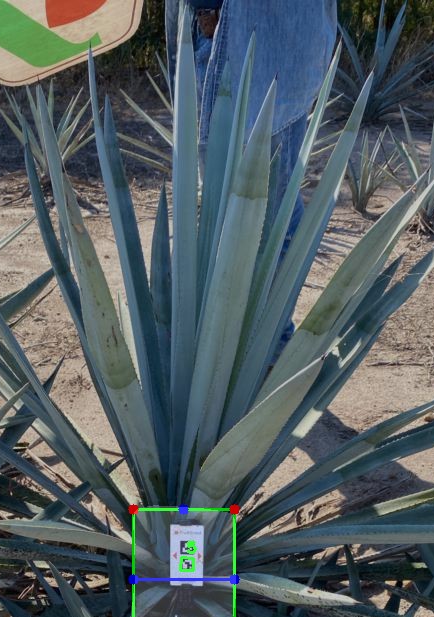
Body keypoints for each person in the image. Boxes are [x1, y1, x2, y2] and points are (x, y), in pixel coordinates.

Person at [164, 0, 338, 356]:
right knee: (258, 212)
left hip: (243, 31)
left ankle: (255, 353)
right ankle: (259, 348)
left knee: (252, 216)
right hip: (280, 35)